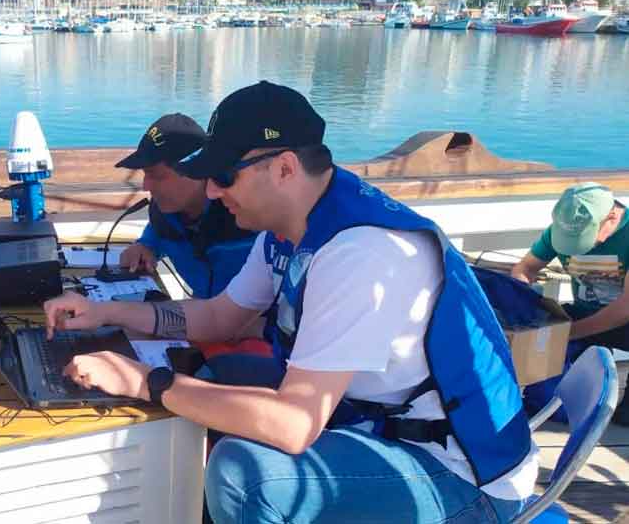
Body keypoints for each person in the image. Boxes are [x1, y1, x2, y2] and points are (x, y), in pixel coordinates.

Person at [44, 81, 537, 523]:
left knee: (244, 476)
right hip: (371, 416)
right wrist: (106, 312)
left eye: (225, 176)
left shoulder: (361, 253)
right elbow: (219, 317)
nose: (212, 191)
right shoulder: (288, 226)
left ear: (283, 168)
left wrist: (145, 381)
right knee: (214, 375)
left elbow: (294, 424)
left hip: (462, 476)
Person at [511, 182, 629, 425]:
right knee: (545, 394)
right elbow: (525, 268)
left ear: (613, 216)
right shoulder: (559, 229)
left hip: (621, 317)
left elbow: (624, 309)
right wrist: (521, 301)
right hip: (584, 314)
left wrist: (568, 333)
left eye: (584, 238)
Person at [116, 113, 257, 300]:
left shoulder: (247, 219)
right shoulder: (164, 212)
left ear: (196, 170)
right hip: (204, 318)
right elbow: (159, 231)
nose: (145, 186)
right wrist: (145, 246)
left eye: (156, 176)